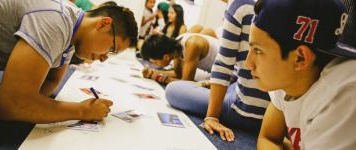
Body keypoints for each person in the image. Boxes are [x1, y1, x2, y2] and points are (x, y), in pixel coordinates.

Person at [0, 0, 138, 125]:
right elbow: (10, 106)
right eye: (111, 49)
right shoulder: (57, 20)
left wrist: (22, 98)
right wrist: (82, 111)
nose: (104, 58)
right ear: (103, 24)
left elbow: (52, 81)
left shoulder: (73, 31)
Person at [246, 0, 356, 149]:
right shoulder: (288, 74)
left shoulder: (344, 93)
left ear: (300, 58)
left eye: (258, 50)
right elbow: (268, 138)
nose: (248, 63)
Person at [165, 0, 270, 142]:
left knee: (172, 90)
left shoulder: (241, 5)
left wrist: (212, 117)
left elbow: (223, 64)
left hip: (246, 109)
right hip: (273, 113)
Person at [141, 32, 220, 84]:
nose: (155, 64)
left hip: (230, 74)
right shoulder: (176, 46)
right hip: (217, 73)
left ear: (166, 57)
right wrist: (153, 73)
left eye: (155, 62)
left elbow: (186, 83)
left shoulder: (191, 45)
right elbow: (177, 74)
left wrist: (160, 78)